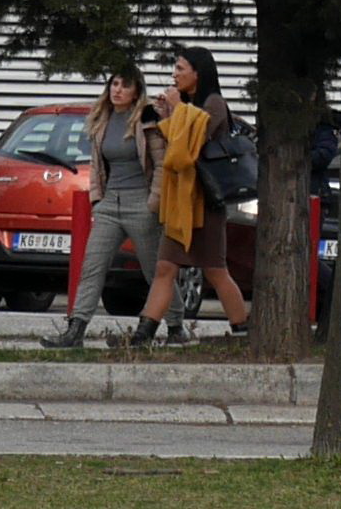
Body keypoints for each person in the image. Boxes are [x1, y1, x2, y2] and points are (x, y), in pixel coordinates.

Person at [52, 66, 165, 348]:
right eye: (114, 84)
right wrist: (96, 199)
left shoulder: (146, 118)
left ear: (136, 91)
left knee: (156, 271)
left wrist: (154, 201)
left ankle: (176, 325)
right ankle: (75, 330)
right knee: (93, 264)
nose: (117, 90)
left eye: (125, 85)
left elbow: (161, 163)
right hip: (109, 204)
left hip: (140, 203)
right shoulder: (103, 118)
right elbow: (97, 164)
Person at [150, 44, 251, 342]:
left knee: (215, 270)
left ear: (198, 73)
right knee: (165, 267)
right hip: (182, 201)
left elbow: (185, 151)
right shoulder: (187, 104)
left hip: (206, 202)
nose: (175, 75)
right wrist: (169, 112)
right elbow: (173, 144)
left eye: (180, 69)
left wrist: (177, 110)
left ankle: (241, 329)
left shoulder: (214, 104)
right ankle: (143, 333)